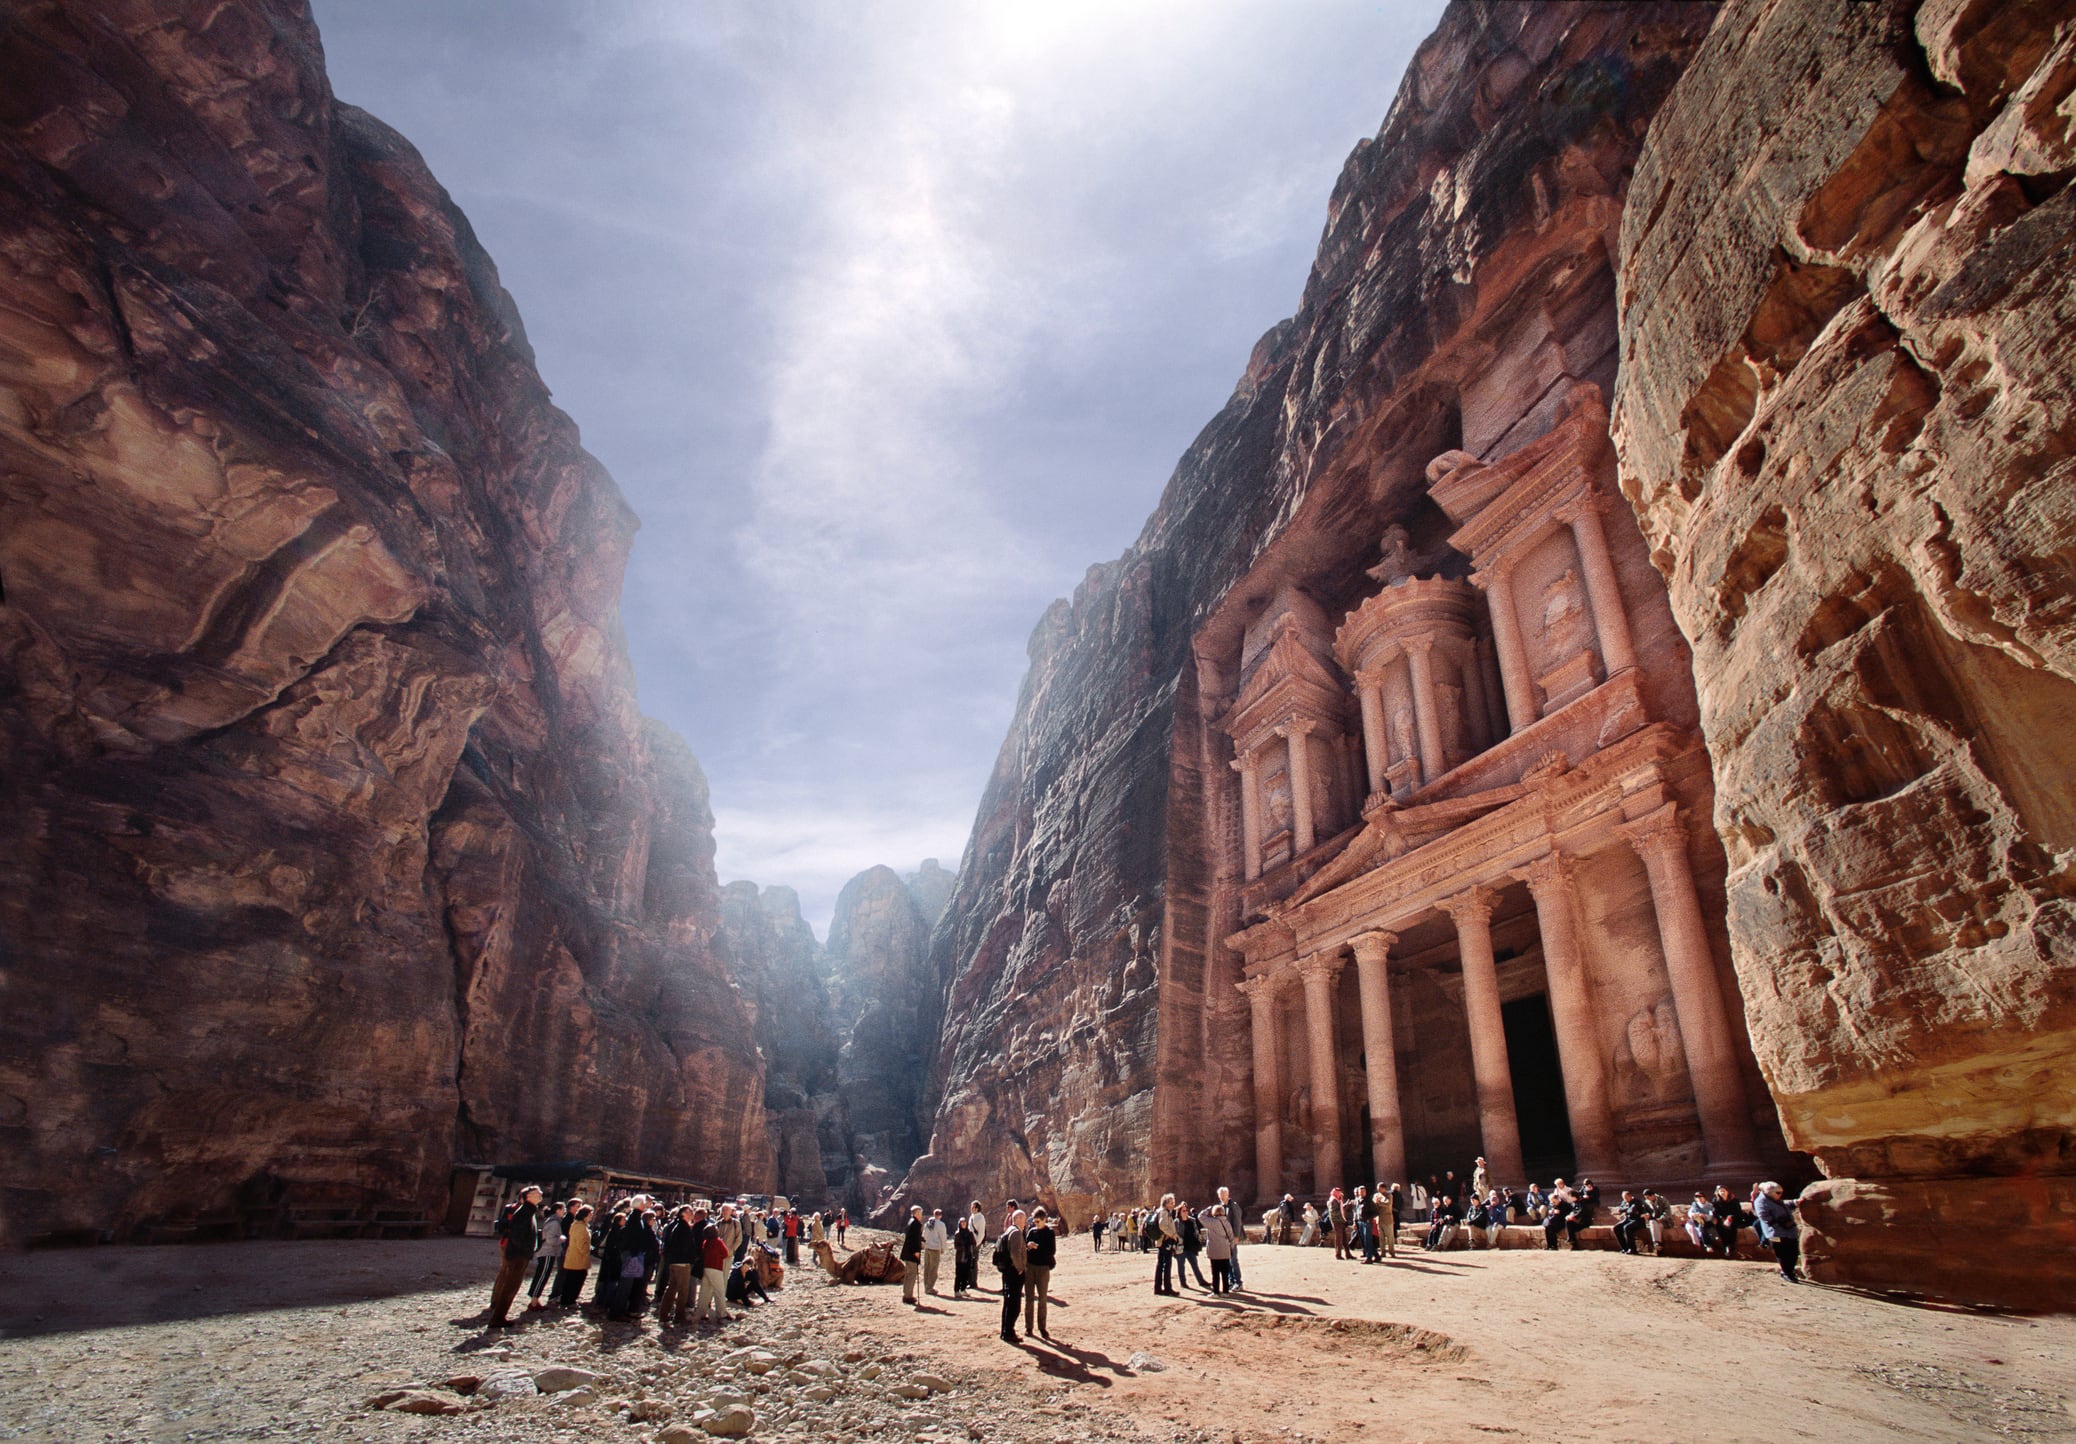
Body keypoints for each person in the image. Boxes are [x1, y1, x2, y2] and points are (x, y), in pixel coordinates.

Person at [488, 1185, 543, 1328]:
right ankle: (498, 1318)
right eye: (537, 1192)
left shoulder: (528, 1211)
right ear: (529, 1196)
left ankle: (499, 1316)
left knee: (512, 1285)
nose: (540, 1194)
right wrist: (525, 1250)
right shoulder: (524, 1211)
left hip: (520, 1254)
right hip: (518, 1255)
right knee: (510, 1286)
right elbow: (517, 1235)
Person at [657, 1205, 702, 1324]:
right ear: (683, 1214)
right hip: (682, 1262)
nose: (692, 1213)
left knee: (672, 1288)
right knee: (683, 1290)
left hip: (674, 1261)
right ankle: (679, 1316)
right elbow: (685, 1246)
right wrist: (691, 1258)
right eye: (690, 1211)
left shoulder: (676, 1226)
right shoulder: (683, 1228)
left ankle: (664, 1314)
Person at [1753, 1181, 1802, 1282]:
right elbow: (1764, 1217)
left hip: (1789, 1231)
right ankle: (1787, 1273)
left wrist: (1794, 1202)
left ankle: (1789, 1271)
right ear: (1769, 1192)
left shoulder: (1774, 1199)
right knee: (1782, 1253)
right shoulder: (1761, 1201)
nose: (1780, 1194)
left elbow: (1783, 1205)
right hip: (1774, 1232)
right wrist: (1782, 1223)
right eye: (1778, 1193)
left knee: (1793, 1252)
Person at [525, 1200, 566, 1310]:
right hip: (548, 1252)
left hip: (547, 1252)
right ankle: (534, 1301)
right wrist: (561, 1240)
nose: (564, 1211)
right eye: (563, 1209)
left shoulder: (552, 1220)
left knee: (542, 1275)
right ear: (558, 1210)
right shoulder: (554, 1222)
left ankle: (535, 1299)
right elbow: (551, 1239)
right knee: (542, 1276)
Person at [1024, 1208, 1057, 1340]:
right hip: (1030, 1267)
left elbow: (1051, 1250)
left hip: (1043, 1268)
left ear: (1044, 1220)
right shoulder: (1032, 1231)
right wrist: (1029, 1245)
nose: (1036, 1224)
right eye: (1034, 1221)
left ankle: (1042, 1327)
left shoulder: (1049, 1233)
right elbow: (1026, 1246)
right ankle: (1029, 1327)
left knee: (1042, 1298)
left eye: (1038, 1221)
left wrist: (1038, 1247)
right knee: (1029, 1298)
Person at [995, 1209, 1028, 1342]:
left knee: (1009, 1302)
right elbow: (1015, 1252)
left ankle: (1006, 1331)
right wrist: (1020, 1268)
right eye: (1024, 1219)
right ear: (1019, 1219)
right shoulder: (1015, 1233)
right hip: (1014, 1272)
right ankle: (1008, 1332)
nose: (1025, 1222)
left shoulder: (1009, 1231)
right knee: (1014, 1304)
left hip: (1008, 1271)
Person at [553, 1203, 593, 1307]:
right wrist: (588, 1249)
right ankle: (570, 1300)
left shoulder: (578, 1225)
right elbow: (581, 1245)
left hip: (574, 1257)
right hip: (578, 1258)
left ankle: (566, 1299)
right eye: (590, 1215)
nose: (591, 1217)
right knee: (575, 1280)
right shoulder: (580, 1227)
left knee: (571, 1279)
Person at [695, 1212, 731, 1324]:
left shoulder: (705, 1242)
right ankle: (721, 1313)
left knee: (704, 1291)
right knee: (719, 1291)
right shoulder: (718, 1242)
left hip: (706, 1268)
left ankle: (700, 1313)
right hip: (716, 1268)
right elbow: (726, 1253)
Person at [1203, 1203, 1237, 1293]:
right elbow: (1231, 1237)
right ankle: (1225, 1292)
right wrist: (1231, 1248)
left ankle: (1216, 1292)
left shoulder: (1211, 1222)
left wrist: (1207, 1209)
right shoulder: (1227, 1222)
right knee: (1225, 1273)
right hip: (1225, 1251)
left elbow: (1200, 1216)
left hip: (1214, 1252)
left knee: (1215, 1273)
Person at [1177, 1202, 1211, 1289]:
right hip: (1181, 1247)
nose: (1185, 1212)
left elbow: (1196, 1231)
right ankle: (1183, 1283)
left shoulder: (1192, 1220)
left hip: (1191, 1247)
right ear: (1179, 1213)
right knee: (1181, 1266)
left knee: (1195, 1265)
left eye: (1186, 1211)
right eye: (1183, 1211)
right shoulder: (1176, 1222)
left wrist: (1199, 1240)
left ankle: (1201, 1281)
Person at [1152, 1192, 1180, 1295]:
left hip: (1162, 1242)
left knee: (1161, 1265)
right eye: (1171, 1202)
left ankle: (1158, 1288)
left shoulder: (1162, 1211)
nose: (1173, 1204)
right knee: (1166, 1265)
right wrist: (1172, 1235)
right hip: (1165, 1241)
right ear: (1166, 1203)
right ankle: (1167, 1288)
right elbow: (1162, 1226)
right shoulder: (1164, 1212)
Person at [1215, 1187, 1244, 1288]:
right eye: (1220, 1195)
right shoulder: (1220, 1206)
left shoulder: (1233, 1206)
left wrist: (1236, 1235)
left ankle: (1238, 1282)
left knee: (1233, 1260)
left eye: (1224, 1194)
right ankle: (1230, 1280)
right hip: (1223, 1238)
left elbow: (1237, 1221)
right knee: (1226, 1260)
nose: (1222, 1196)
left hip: (1232, 1237)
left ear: (1228, 1194)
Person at [1711, 1185, 1747, 1258]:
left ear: (1727, 1192)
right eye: (1720, 1191)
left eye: (1724, 1191)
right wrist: (1722, 1218)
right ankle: (1726, 1246)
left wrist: (1730, 1217)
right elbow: (1715, 1212)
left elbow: (1738, 1212)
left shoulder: (1734, 1200)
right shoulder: (1715, 1201)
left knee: (1732, 1226)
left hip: (1734, 1218)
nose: (1722, 1193)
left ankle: (1731, 1245)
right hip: (1722, 1219)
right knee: (1721, 1227)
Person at [900, 1205, 925, 1306]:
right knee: (912, 1274)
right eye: (920, 1213)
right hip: (912, 1253)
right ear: (917, 1213)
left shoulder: (910, 1222)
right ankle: (908, 1296)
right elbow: (914, 1239)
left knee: (908, 1273)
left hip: (907, 1252)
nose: (921, 1215)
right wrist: (917, 1252)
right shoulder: (916, 1224)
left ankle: (906, 1294)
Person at [921, 1207, 949, 1295]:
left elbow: (924, 1235)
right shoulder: (941, 1224)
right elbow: (943, 1237)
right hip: (935, 1248)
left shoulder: (928, 1223)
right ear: (940, 1216)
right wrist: (943, 1248)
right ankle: (930, 1287)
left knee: (927, 1267)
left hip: (927, 1247)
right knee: (933, 1268)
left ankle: (926, 1286)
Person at [1612, 1191, 1649, 1255]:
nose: (1625, 1199)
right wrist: (1627, 1209)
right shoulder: (1624, 1202)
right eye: (1624, 1198)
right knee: (1616, 1228)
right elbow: (1620, 1209)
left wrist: (1626, 1210)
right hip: (1628, 1219)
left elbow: (1632, 1210)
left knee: (1627, 1227)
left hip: (1637, 1220)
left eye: (1626, 1197)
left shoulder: (1637, 1201)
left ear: (1630, 1196)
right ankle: (1624, 1248)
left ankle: (1632, 1249)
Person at [953, 1213, 978, 1298]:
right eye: (962, 1222)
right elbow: (956, 1246)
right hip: (960, 1257)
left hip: (968, 1256)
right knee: (959, 1274)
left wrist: (970, 1247)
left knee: (966, 1274)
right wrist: (964, 1247)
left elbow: (974, 1243)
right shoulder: (957, 1234)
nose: (963, 1224)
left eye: (964, 1222)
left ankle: (963, 1289)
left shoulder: (969, 1233)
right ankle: (956, 1290)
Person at [1542, 1187, 1575, 1251]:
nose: (1553, 1203)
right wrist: (1551, 1212)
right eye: (1552, 1202)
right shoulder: (1553, 1205)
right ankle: (1549, 1245)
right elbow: (1550, 1212)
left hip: (1561, 1221)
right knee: (1547, 1227)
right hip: (1553, 1221)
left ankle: (1554, 1245)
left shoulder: (1564, 1205)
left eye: (1554, 1201)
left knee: (1551, 1228)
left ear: (1558, 1199)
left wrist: (1560, 1212)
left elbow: (1567, 1213)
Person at [1330, 1187, 1351, 1259]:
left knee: (1344, 1238)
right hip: (1337, 1221)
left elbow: (1339, 1209)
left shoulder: (1337, 1200)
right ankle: (1338, 1254)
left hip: (1340, 1221)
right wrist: (1345, 1207)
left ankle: (1348, 1254)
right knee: (1339, 1238)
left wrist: (1345, 1205)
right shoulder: (1333, 1200)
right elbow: (1335, 1211)